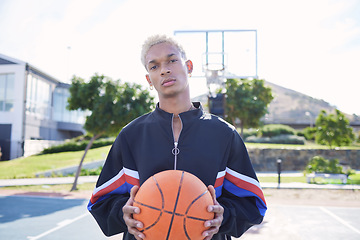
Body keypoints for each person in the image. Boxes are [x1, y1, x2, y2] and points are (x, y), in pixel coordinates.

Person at [88, 34, 267, 240]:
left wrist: (223, 216)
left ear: (189, 67)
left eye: (172, 60)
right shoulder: (131, 135)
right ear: (149, 79)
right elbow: (101, 202)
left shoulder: (224, 134)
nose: (164, 69)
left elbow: (252, 204)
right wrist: (123, 213)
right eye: (154, 66)